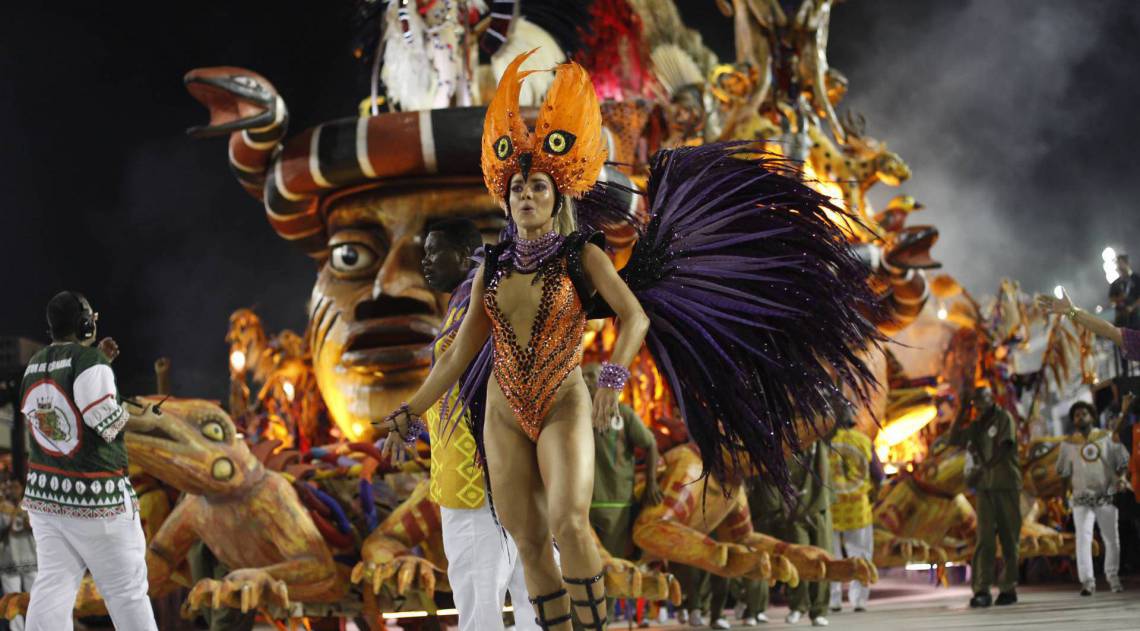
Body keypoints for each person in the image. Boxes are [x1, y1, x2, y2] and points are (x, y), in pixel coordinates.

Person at [381, 50, 882, 631]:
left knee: (569, 525)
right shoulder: (488, 267)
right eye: (517, 187)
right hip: (501, 408)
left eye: (538, 186)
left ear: (557, 194)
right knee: (528, 537)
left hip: (563, 398)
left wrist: (613, 381)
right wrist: (410, 410)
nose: (526, 196)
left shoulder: (581, 254)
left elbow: (634, 318)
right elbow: (462, 351)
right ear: (505, 194)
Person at [419, 219, 541, 630]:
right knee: (535, 594)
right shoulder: (482, 292)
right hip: (515, 471)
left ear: (462, 252)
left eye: (433, 252)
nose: (425, 263)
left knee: (479, 603)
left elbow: (478, 382)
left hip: (477, 482)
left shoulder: (480, 295)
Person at [18, 291, 158, 630]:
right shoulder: (88, 363)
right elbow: (104, 421)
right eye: (91, 317)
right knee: (127, 592)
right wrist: (150, 420)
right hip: (97, 501)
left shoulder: (34, 365)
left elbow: (63, 403)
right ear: (84, 323)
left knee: (52, 588)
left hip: (47, 502)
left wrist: (98, 360)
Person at [581, 362, 661, 623]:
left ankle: (603, 620)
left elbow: (650, 444)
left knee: (612, 569)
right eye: (583, 377)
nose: (588, 381)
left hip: (617, 505)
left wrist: (651, 483)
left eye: (592, 376)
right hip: (581, 507)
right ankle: (585, 621)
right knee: (583, 568)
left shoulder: (623, 414)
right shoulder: (575, 414)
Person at [947, 385, 1022, 608]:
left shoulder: (1003, 418)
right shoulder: (975, 425)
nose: (980, 405)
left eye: (984, 399)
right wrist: (961, 409)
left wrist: (985, 466)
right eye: (976, 402)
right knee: (984, 540)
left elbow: (1005, 446)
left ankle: (1008, 587)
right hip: (985, 489)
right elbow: (953, 439)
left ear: (992, 398)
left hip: (1006, 485)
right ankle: (982, 589)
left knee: (1010, 539)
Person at [753, 438, 833, 627]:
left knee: (821, 559)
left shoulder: (820, 441)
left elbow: (833, 419)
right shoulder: (784, 447)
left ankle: (819, 610)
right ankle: (798, 606)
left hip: (819, 509)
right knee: (797, 559)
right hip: (794, 513)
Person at [1057, 400, 1130, 595]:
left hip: (1106, 496)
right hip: (1081, 499)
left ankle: (1113, 578)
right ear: (1073, 420)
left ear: (1092, 416)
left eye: (1084, 413)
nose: (1080, 417)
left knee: (1111, 540)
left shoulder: (1107, 437)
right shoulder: (1068, 444)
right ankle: (1088, 582)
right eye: (1077, 415)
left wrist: (1122, 478)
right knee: (1083, 539)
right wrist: (1063, 496)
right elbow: (1063, 473)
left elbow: (1123, 460)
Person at [827, 401, 883, 613]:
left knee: (831, 555)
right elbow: (878, 475)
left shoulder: (827, 443)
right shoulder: (864, 441)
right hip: (858, 508)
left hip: (832, 508)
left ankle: (833, 600)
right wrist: (873, 495)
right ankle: (859, 600)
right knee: (860, 554)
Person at [0, 481, 36, 631]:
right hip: (8, 560)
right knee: (13, 602)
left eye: (15, 486)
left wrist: (30, 522)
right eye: (9, 487)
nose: (12, 490)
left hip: (31, 559)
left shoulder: (32, 506)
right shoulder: (3, 508)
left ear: (22, 488)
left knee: (35, 600)